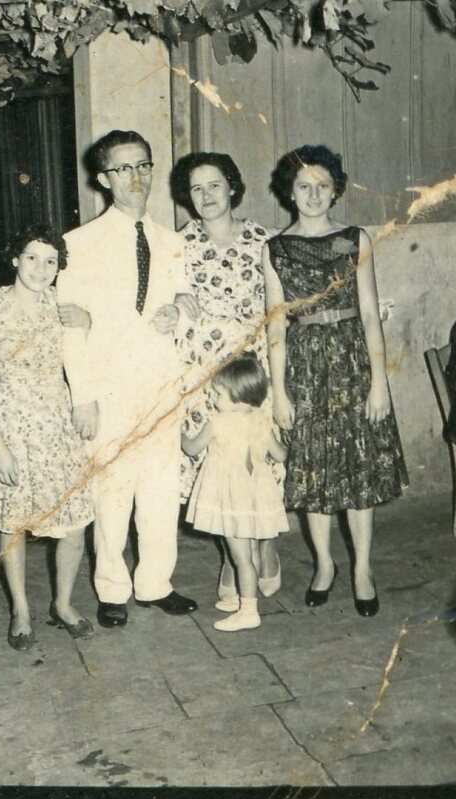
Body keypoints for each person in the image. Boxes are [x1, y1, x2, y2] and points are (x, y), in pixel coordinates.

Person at [57, 129, 198, 628]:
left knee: (160, 488)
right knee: (112, 492)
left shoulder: (172, 241)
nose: (136, 177)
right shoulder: (78, 244)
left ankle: (156, 583)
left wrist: (179, 313)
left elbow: (187, 302)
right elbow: (71, 328)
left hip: (159, 384)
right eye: (123, 168)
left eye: (143, 166)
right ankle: (112, 589)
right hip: (109, 387)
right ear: (103, 179)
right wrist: (83, 397)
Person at [263, 144, 408, 617]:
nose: (313, 194)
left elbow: (369, 314)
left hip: (352, 362)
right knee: (314, 470)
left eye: (322, 186)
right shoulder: (275, 250)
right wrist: (279, 393)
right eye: (304, 186)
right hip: (305, 366)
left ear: (335, 190)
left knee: (358, 466)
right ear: (289, 192)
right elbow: (275, 327)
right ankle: (324, 564)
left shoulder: (354, 239)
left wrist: (379, 383)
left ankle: (362, 567)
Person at [0, 225, 94, 650]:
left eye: (51, 261)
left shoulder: (62, 304)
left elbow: (89, 353)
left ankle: (63, 603)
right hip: (12, 424)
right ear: (15, 259)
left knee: (74, 523)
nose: (41, 268)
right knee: (14, 522)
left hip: (58, 423)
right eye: (32, 258)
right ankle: (20, 609)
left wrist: (89, 321)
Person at [170, 152, 284, 611]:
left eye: (214, 185)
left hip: (253, 371)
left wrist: (281, 378)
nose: (206, 196)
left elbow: (279, 312)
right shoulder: (178, 243)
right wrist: (174, 299)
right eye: (196, 189)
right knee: (217, 469)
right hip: (202, 375)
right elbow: (162, 299)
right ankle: (232, 559)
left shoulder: (263, 240)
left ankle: (266, 547)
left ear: (232, 187)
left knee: (261, 460)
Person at [184, 357, 289, 631]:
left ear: (239, 399)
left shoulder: (218, 422)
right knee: (249, 551)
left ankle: (249, 611)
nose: (213, 397)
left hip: (231, 498)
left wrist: (179, 434)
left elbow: (192, 448)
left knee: (242, 559)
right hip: (255, 496)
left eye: (219, 394)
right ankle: (242, 598)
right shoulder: (262, 420)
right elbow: (280, 455)